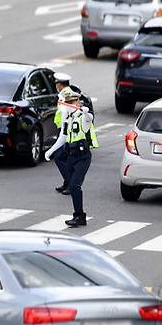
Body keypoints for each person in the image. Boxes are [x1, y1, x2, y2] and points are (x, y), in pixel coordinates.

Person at [45, 90, 97, 227]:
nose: (67, 105)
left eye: (70, 103)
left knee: (75, 185)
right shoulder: (68, 118)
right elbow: (63, 138)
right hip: (71, 156)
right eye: (66, 103)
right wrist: (51, 151)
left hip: (82, 156)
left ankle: (79, 216)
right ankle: (78, 215)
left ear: (76, 103)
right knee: (72, 185)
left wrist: (86, 111)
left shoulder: (82, 116)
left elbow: (89, 119)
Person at [51, 73, 95, 195]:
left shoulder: (67, 95)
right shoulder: (63, 94)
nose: (56, 85)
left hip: (68, 131)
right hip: (64, 129)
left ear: (60, 84)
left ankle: (71, 183)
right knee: (63, 156)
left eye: (56, 83)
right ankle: (67, 182)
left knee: (58, 156)